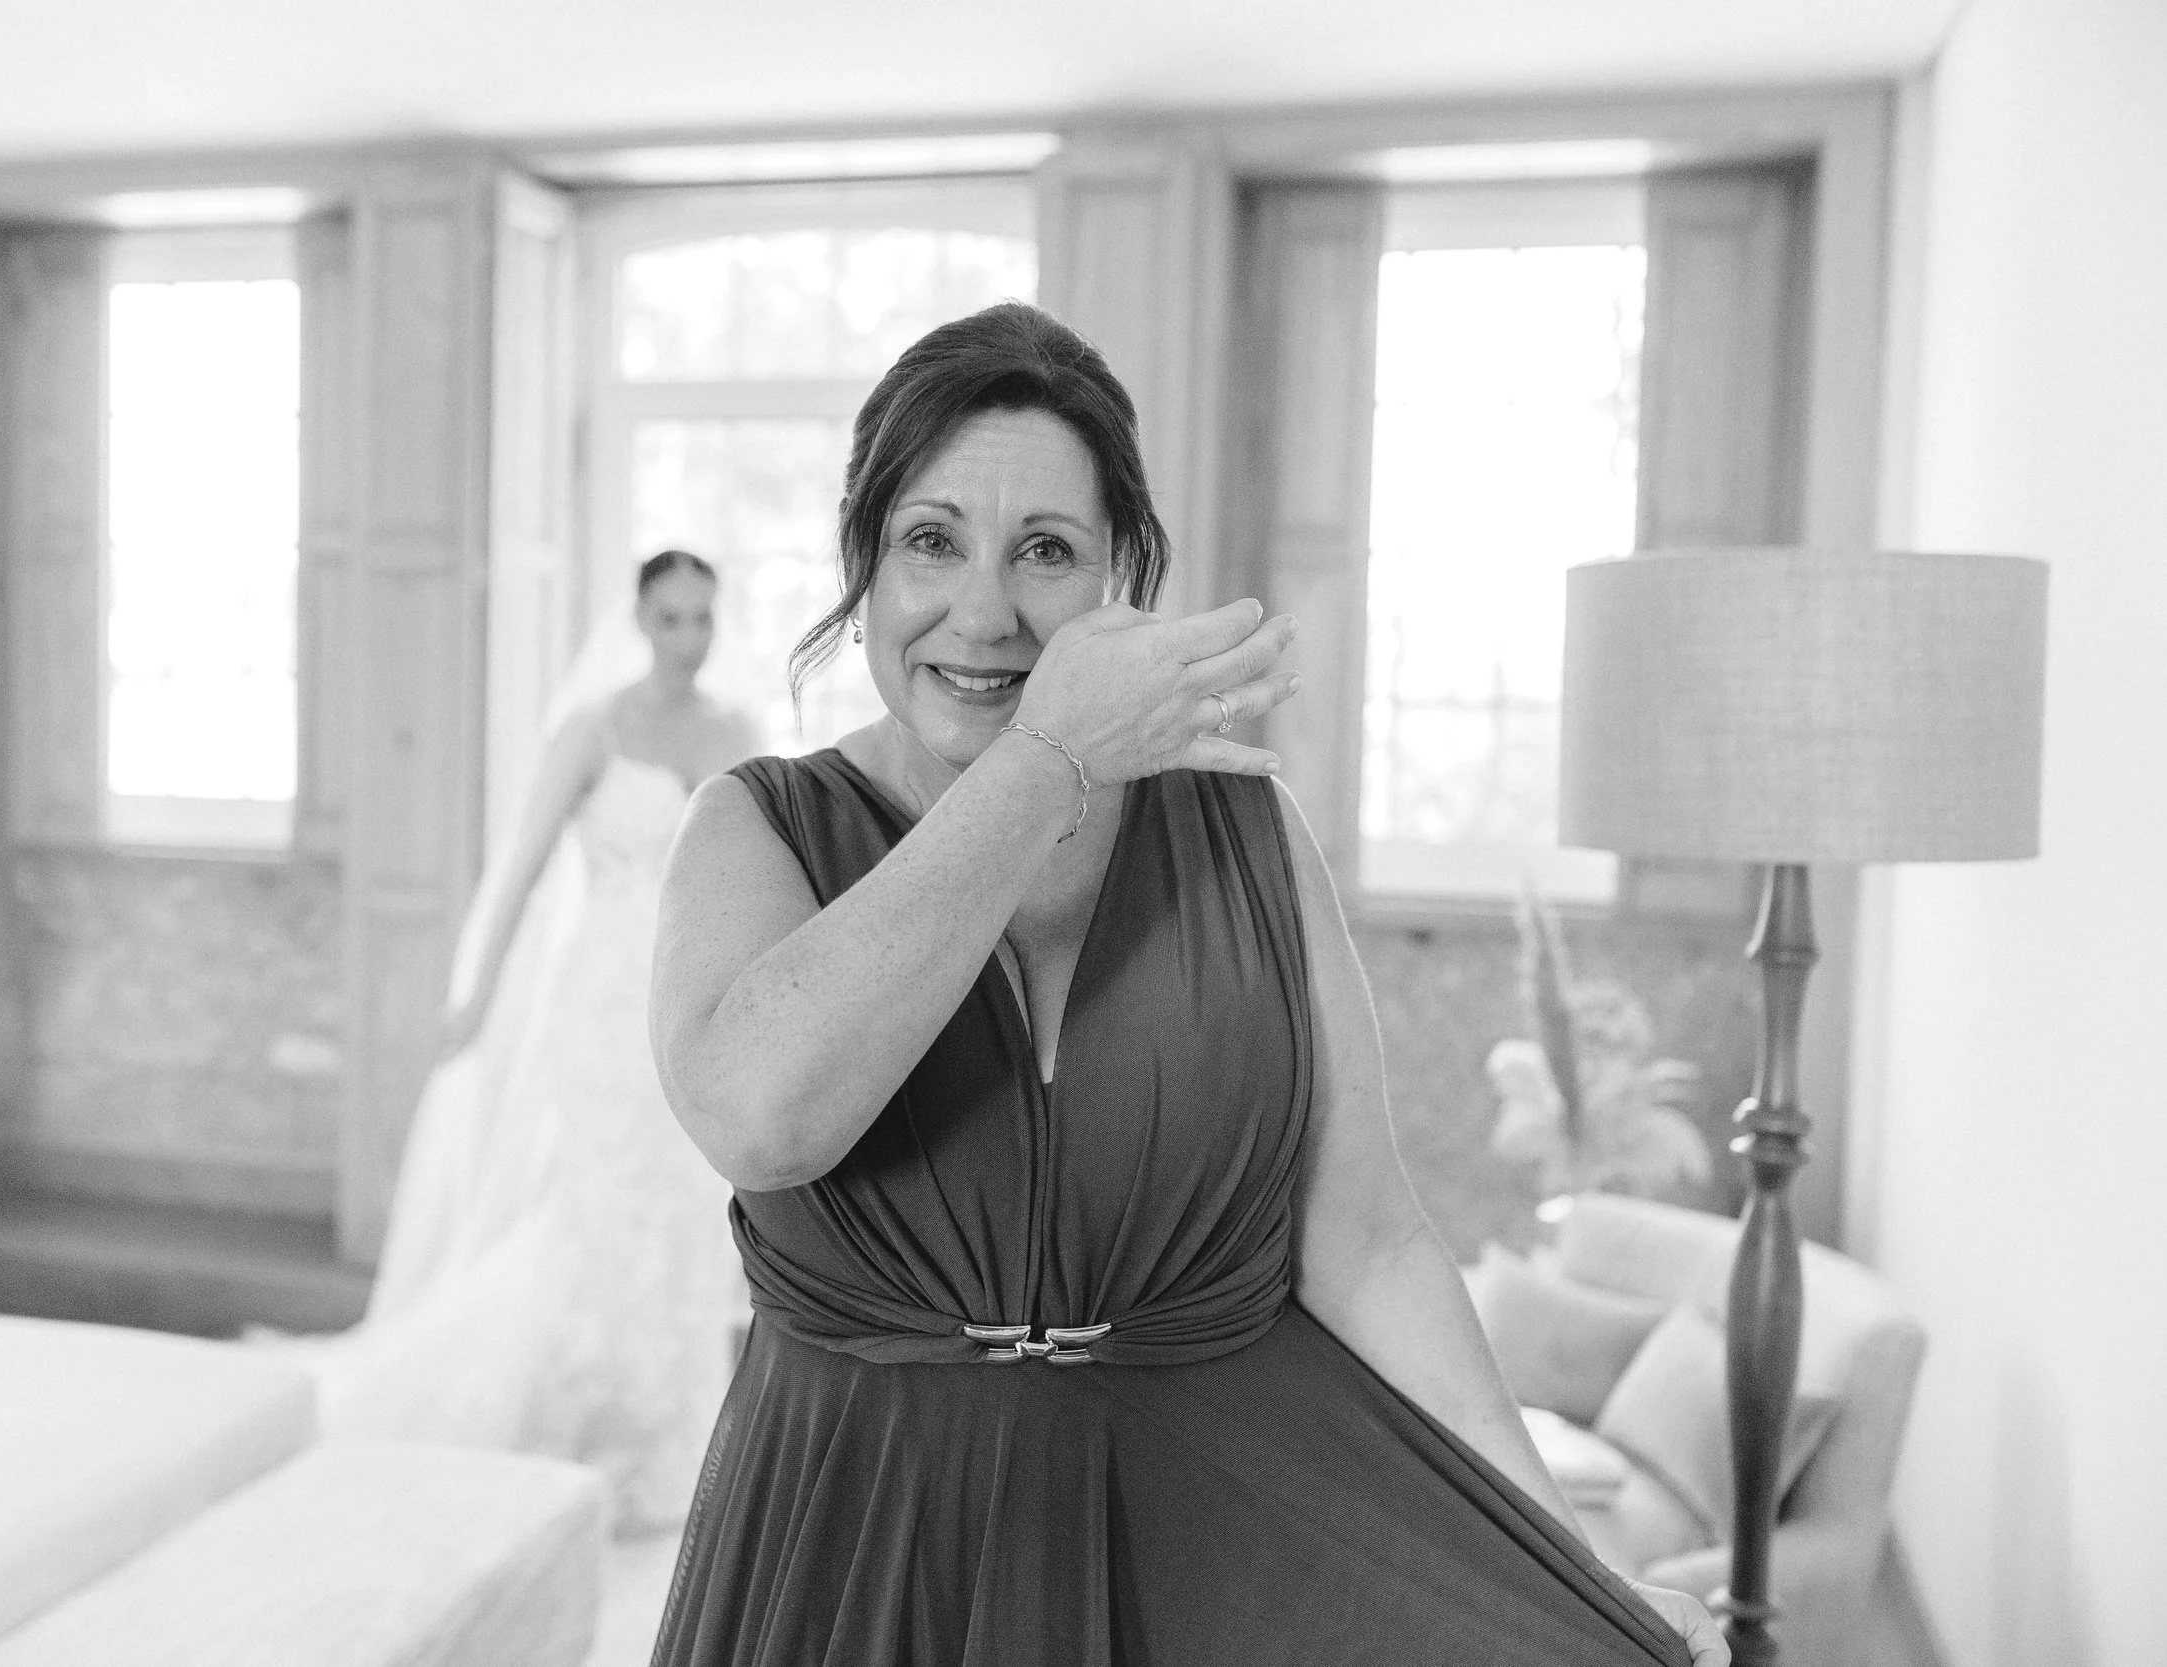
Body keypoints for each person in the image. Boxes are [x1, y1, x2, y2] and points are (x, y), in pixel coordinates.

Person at [646, 304, 1729, 1664]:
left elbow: (1369, 1239)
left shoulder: (1245, 833)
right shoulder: (750, 827)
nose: (983, 611)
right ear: (862, 559)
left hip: (1214, 1546)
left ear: (1120, 577)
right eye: (931, 539)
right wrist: (1046, 761)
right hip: (859, 1538)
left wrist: (1570, 1565)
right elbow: (762, 1117)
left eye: (1046, 549)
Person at [295, 549, 759, 1534]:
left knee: (683, 1209)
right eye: (672, 617)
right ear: (639, 620)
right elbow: (519, 870)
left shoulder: (737, 732)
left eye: (703, 617)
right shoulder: (594, 730)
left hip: (696, 995)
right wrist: (473, 996)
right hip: (603, 1005)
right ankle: (573, 1424)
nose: (689, 636)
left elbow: (761, 875)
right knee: (599, 1204)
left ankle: (669, 1441)